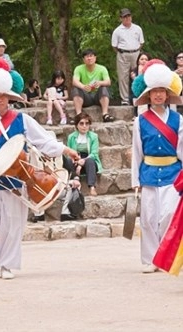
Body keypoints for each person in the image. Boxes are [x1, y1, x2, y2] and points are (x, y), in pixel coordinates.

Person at [0, 57, 79, 279]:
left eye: (3, 96)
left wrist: (65, 150)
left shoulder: (22, 119)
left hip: (19, 178)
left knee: (13, 224)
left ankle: (7, 264)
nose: (0, 99)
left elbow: (43, 140)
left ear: (9, 96)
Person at [131, 61, 183, 273]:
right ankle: (151, 259)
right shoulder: (140, 121)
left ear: (168, 94)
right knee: (149, 218)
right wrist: (135, 181)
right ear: (149, 96)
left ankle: (167, 257)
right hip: (149, 173)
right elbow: (136, 152)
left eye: (162, 91)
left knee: (169, 215)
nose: (159, 95)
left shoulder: (178, 119)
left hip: (172, 173)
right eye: (155, 92)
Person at [63, 113, 103, 197]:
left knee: (90, 161)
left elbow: (94, 153)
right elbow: (69, 153)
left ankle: (92, 187)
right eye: (81, 123)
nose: (84, 126)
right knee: (68, 161)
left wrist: (82, 163)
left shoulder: (93, 136)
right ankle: (75, 181)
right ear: (77, 125)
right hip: (75, 160)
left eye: (87, 123)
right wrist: (77, 163)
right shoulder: (71, 137)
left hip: (88, 161)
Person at [111, 8, 144, 106]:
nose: (127, 18)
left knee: (138, 74)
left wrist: (135, 51)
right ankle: (125, 99)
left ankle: (139, 95)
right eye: (124, 17)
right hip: (123, 54)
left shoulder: (137, 28)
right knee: (123, 76)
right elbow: (114, 45)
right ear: (121, 18)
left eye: (128, 16)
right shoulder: (117, 31)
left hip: (136, 53)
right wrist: (123, 52)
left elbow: (141, 42)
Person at [71, 48, 114, 122]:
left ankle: (105, 114)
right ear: (83, 59)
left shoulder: (102, 68)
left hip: (98, 96)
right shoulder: (78, 68)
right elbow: (75, 81)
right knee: (76, 89)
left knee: (104, 88)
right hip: (86, 97)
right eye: (87, 56)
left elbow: (108, 82)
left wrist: (100, 83)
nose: (89, 58)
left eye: (91, 56)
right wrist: (83, 87)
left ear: (95, 57)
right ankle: (79, 115)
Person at [129, 52, 151, 117]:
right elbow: (136, 86)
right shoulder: (133, 72)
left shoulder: (152, 71)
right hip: (137, 93)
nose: (144, 61)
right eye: (142, 59)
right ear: (138, 61)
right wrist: (139, 73)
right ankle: (137, 115)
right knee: (137, 95)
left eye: (146, 59)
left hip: (149, 90)